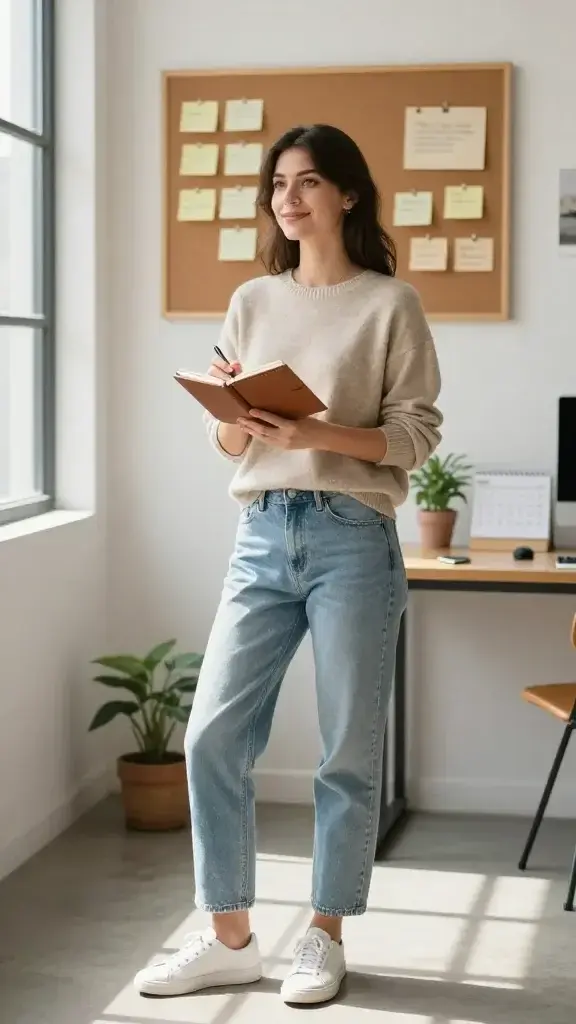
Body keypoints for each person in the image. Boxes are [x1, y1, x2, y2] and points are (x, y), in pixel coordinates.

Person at [135, 124, 442, 1005]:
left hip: (352, 535)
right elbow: (227, 440)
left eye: (308, 181)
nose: (289, 197)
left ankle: (324, 933)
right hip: (262, 532)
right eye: (278, 184)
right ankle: (230, 935)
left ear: (348, 193)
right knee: (213, 737)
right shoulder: (252, 299)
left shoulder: (392, 304)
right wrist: (235, 411)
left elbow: (414, 436)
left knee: (346, 751)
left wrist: (313, 432)